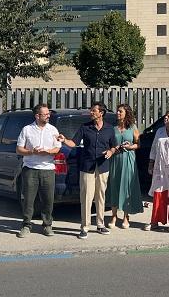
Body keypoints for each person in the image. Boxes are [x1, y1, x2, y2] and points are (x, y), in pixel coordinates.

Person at [57, 102, 117, 239]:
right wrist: (64, 140)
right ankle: (85, 227)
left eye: (94, 110)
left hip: (102, 167)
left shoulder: (109, 129)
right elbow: (74, 143)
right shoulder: (85, 127)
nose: (91, 112)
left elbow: (114, 146)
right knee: (86, 197)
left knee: (101, 196)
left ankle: (100, 225)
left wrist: (110, 152)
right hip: (87, 167)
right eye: (91, 110)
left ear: (101, 113)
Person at [15, 103, 62, 238]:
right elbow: (19, 149)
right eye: (45, 114)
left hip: (48, 169)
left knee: (48, 200)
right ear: (37, 116)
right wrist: (31, 152)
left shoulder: (53, 129)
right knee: (28, 199)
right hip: (30, 169)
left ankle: (47, 225)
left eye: (48, 114)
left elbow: (57, 148)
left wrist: (48, 151)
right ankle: (26, 225)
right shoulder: (27, 130)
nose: (48, 116)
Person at [106, 104, 143, 229]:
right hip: (115, 159)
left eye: (120, 111)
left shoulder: (132, 127)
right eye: (117, 111)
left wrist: (129, 146)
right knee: (114, 185)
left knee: (127, 186)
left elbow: (138, 144)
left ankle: (126, 216)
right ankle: (113, 215)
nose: (117, 113)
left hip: (128, 159)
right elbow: (109, 144)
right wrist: (114, 148)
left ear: (126, 113)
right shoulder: (113, 128)